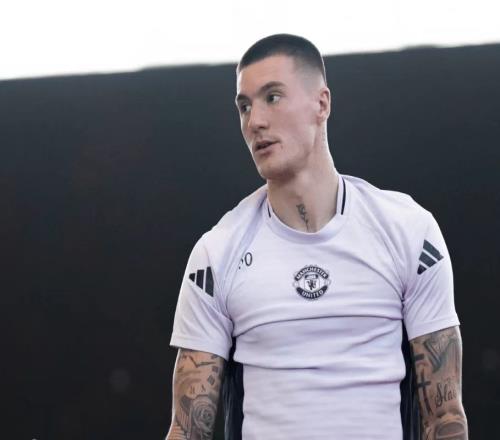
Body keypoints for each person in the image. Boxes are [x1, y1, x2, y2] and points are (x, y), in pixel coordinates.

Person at [166, 34, 468, 440]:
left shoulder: (408, 231)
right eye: (244, 106)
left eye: (272, 97)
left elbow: (445, 417)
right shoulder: (216, 254)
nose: (255, 121)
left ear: (321, 104)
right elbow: (187, 431)